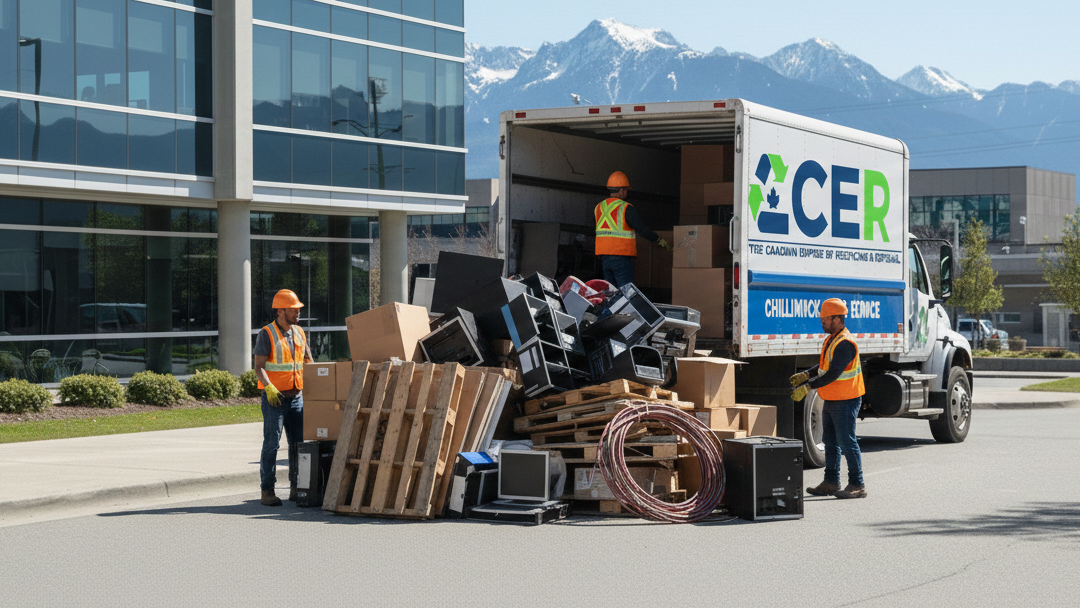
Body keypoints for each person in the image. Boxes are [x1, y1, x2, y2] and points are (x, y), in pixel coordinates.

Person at [790, 298, 867, 499]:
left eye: (825, 320)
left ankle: (857, 484)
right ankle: (831, 482)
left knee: (846, 441)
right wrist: (807, 374)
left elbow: (833, 373)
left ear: (837, 319)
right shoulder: (832, 339)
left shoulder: (845, 343)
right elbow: (825, 366)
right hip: (832, 398)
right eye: (821, 319)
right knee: (830, 442)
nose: (822, 323)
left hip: (846, 399)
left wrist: (809, 386)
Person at [253, 289, 313, 506]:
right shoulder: (266, 334)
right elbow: (259, 367)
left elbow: (308, 362)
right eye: (293, 309)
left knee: (298, 445)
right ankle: (267, 490)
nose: (298, 313)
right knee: (272, 444)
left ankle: (296, 488)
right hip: (275, 399)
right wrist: (269, 388)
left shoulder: (299, 332)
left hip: (297, 397)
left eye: (298, 309)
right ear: (280, 311)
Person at [594, 171, 672, 288]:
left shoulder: (599, 207)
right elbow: (642, 229)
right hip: (621, 256)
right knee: (627, 292)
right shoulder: (625, 208)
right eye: (626, 190)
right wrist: (658, 240)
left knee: (611, 292)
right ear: (622, 190)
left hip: (604, 257)